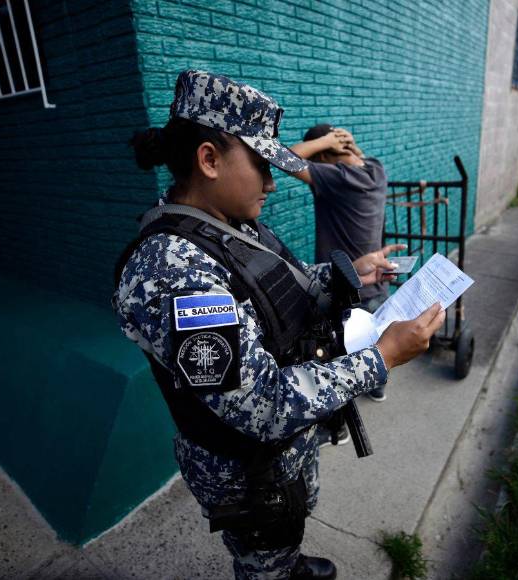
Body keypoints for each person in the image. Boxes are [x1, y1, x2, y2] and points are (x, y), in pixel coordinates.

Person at [113, 70, 446, 580]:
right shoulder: (174, 272)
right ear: (209, 159)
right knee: (263, 557)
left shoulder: (230, 224)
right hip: (249, 477)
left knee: (285, 537)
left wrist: (347, 273)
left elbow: (270, 288)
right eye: (262, 164)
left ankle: (287, 562)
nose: (272, 182)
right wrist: (382, 358)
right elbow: (262, 405)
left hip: (281, 463)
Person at [288, 125, 390, 402]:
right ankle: (377, 386)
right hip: (376, 279)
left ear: (320, 157)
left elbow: (284, 157)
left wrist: (324, 141)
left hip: (344, 284)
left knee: (338, 360)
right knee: (375, 345)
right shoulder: (376, 169)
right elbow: (361, 160)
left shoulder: (335, 177)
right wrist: (349, 146)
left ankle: (338, 424)